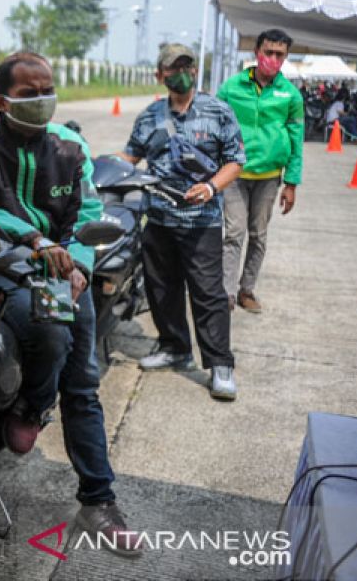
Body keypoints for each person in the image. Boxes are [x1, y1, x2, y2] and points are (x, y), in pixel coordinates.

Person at [0, 52, 140, 557]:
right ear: (1, 101)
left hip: (64, 275)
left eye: (47, 90)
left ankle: (99, 499)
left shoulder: (72, 146)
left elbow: (88, 213)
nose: (42, 100)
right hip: (1, 267)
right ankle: (31, 404)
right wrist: (31, 238)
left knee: (83, 384)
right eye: (30, 93)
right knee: (49, 332)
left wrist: (75, 265)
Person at [117, 44, 245, 400]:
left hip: (201, 221)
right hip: (157, 218)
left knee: (208, 294)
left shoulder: (218, 111)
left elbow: (236, 161)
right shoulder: (148, 117)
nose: (181, 73)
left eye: (187, 66)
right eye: (173, 68)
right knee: (161, 289)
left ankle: (220, 364)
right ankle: (174, 348)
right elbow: (131, 156)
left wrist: (210, 186)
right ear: (160, 75)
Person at [216, 28, 303, 314]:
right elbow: (214, 124)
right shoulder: (231, 88)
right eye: (269, 52)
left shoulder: (290, 95)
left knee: (258, 235)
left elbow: (296, 138)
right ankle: (227, 293)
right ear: (257, 53)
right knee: (234, 233)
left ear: (286, 57)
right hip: (233, 175)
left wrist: (291, 183)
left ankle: (247, 290)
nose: (273, 59)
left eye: (280, 54)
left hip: (268, 178)